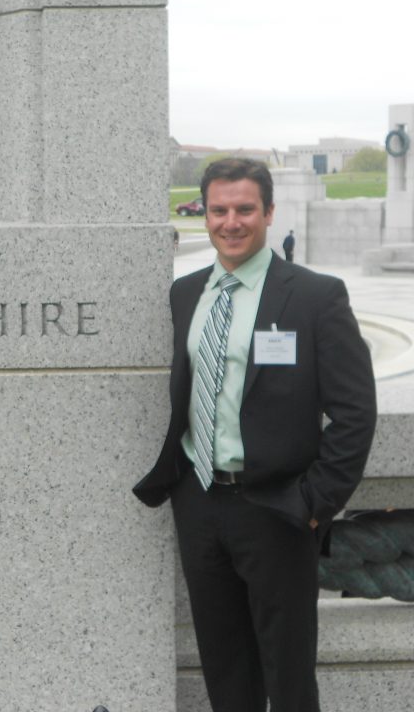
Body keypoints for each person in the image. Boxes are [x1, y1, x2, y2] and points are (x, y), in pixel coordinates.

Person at [133, 158, 376, 712]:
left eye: (245, 209)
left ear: (268, 213)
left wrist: (315, 504)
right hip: (199, 503)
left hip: (279, 508)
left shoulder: (316, 297)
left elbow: (355, 412)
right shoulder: (186, 293)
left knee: (288, 677)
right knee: (224, 667)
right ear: (205, 215)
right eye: (219, 210)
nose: (231, 222)